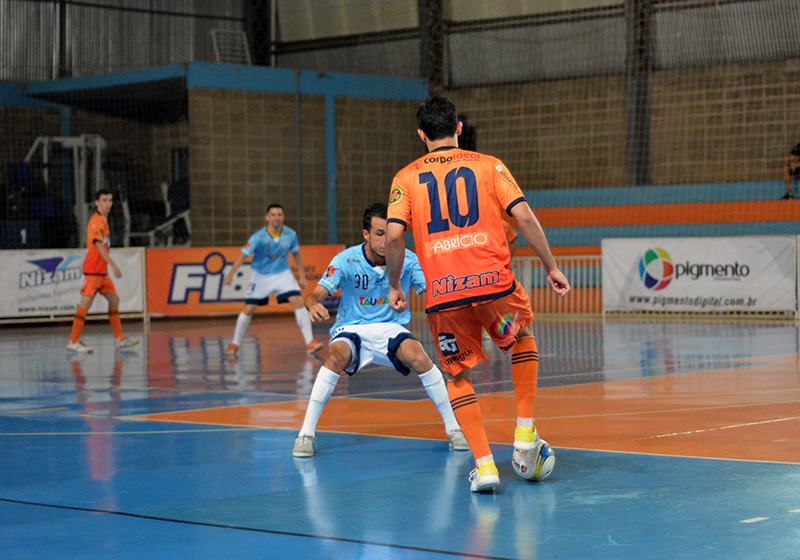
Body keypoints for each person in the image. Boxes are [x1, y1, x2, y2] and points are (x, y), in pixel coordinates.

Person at [385, 94, 571, 492]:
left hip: (445, 296)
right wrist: (551, 265)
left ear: (421, 135)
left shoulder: (404, 178)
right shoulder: (489, 166)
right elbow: (522, 215)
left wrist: (395, 284)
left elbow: (396, 235)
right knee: (520, 337)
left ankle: (485, 466)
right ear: (459, 128)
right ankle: (524, 433)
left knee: (458, 374)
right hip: (493, 286)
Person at [293, 202, 468, 457]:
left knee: (420, 357)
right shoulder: (347, 260)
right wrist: (313, 305)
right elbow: (313, 294)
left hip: (391, 328)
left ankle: (454, 429)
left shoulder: (408, 259)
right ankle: (305, 434)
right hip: (352, 328)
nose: (387, 240)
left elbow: (432, 292)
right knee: (335, 357)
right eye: (379, 233)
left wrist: (456, 298)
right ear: (366, 234)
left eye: (391, 233)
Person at [224, 203, 322, 356]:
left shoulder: (290, 235)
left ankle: (310, 342)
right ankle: (234, 343)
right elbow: (243, 255)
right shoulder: (258, 237)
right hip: (261, 275)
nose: (276, 218)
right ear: (267, 218)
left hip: (282, 273)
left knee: (298, 301)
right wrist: (231, 275)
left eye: (279, 215)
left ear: (283, 217)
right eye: (273, 215)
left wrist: (302, 276)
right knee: (249, 309)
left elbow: (296, 254)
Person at [67, 190, 137, 353]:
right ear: (97, 203)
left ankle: (119, 339)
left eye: (110, 200)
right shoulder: (96, 221)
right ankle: (73, 341)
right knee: (86, 303)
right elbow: (98, 246)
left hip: (101, 272)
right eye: (104, 200)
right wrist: (113, 264)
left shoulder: (104, 220)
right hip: (94, 271)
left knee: (114, 300)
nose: (108, 203)